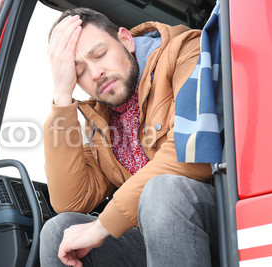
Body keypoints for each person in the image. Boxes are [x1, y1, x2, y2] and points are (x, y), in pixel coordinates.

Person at [40, 7, 219, 267]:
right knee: (59, 232)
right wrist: (62, 95)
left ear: (126, 39)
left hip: (222, 220)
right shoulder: (102, 119)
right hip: (156, 239)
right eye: (79, 72)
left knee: (162, 191)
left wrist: (103, 225)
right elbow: (71, 200)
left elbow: (191, 154)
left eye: (100, 54)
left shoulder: (185, 50)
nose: (95, 73)